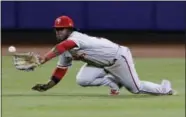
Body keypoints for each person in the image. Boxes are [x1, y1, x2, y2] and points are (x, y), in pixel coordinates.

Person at [32, 15, 176, 96]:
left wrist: (44, 58)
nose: (58, 32)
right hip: (100, 64)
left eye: (61, 29)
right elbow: (61, 70)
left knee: (136, 89)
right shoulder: (64, 48)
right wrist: (47, 86)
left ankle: (165, 88)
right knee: (82, 80)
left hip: (119, 58)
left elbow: (64, 46)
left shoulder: (76, 37)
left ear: (69, 29)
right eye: (56, 29)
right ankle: (112, 82)